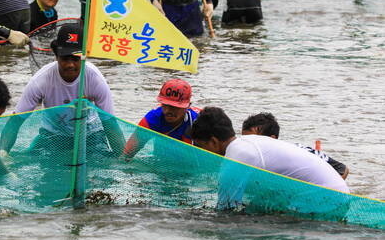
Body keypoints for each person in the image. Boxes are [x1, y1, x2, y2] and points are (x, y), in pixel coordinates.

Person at [0, 22, 125, 157]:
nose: (70, 65)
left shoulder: (95, 80)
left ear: (84, 57)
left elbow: (110, 124)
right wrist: (3, 152)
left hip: (90, 135)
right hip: (52, 135)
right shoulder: (41, 80)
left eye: (76, 58)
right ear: (56, 56)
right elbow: (15, 121)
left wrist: (123, 158)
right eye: (65, 58)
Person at [190, 107, 350, 209]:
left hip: (327, 200)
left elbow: (226, 209)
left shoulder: (237, 156)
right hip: (337, 195)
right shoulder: (249, 143)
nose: (201, 151)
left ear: (213, 141)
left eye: (201, 146)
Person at [241, 112, 349, 180]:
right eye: (245, 139)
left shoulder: (294, 152)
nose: (248, 144)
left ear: (272, 139)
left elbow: (343, 169)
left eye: (253, 139)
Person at [123, 79, 201, 159]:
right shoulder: (152, 119)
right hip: (160, 160)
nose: (168, 111)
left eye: (175, 107)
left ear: (188, 106)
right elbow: (126, 154)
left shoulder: (199, 122)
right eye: (165, 105)